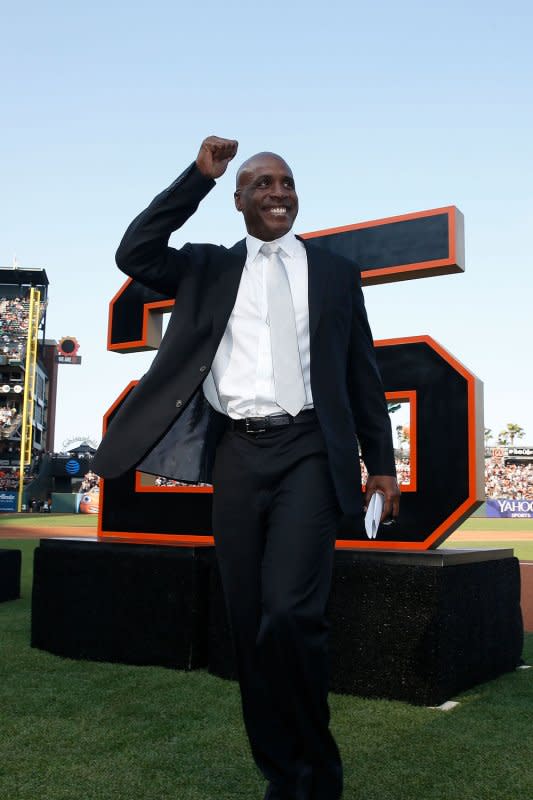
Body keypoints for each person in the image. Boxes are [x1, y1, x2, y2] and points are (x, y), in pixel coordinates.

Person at [93, 136, 400, 800]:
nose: (276, 192)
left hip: (311, 449)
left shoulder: (337, 274)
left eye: (285, 182)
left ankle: (315, 773)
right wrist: (194, 178)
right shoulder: (205, 268)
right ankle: (281, 774)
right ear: (237, 199)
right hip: (237, 453)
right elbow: (134, 252)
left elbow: (360, 373)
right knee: (250, 623)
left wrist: (381, 462)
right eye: (260, 183)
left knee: (292, 614)